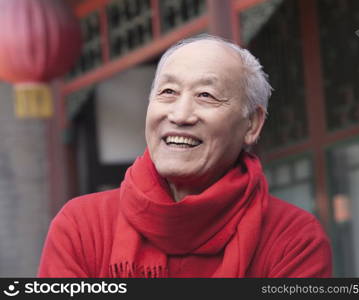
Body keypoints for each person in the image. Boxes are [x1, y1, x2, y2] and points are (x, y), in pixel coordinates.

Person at [38, 34, 332, 278]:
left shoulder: (293, 239)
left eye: (206, 95)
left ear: (252, 124)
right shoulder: (82, 226)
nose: (179, 115)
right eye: (168, 92)